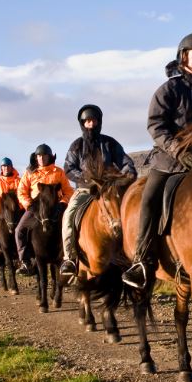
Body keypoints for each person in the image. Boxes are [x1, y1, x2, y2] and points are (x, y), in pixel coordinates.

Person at [121, 33, 192, 288]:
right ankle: (142, 262)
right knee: (149, 201)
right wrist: (179, 150)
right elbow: (156, 126)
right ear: (184, 56)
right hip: (169, 163)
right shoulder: (168, 90)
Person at [59, 104, 136, 278]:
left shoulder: (109, 143)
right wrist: (87, 179)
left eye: (93, 120)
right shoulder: (76, 145)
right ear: (82, 123)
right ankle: (69, 258)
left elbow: (124, 160)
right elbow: (69, 168)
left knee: (130, 213)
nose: (91, 124)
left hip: (109, 190)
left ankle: (135, 259)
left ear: (99, 122)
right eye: (87, 121)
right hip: (85, 190)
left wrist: (129, 171)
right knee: (68, 216)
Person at [15, 144, 74, 274]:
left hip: (56, 208)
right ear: (36, 157)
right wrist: (28, 204)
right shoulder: (30, 172)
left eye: (44, 155)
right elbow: (21, 191)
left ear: (50, 157)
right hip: (35, 207)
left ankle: (70, 259)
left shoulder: (58, 172)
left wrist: (63, 203)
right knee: (19, 230)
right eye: (38, 156)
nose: (41, 158)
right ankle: (25, 262)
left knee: (72, 227)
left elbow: (69, 191)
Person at [0, 158, 22, 253]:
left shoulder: (18, 180)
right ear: (1, 168)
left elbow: (22, 193)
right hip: (2, 209)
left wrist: (19, 206)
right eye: (3, 166)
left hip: (15, 209)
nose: (6, 168)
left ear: (11, 167)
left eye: (7, 166)